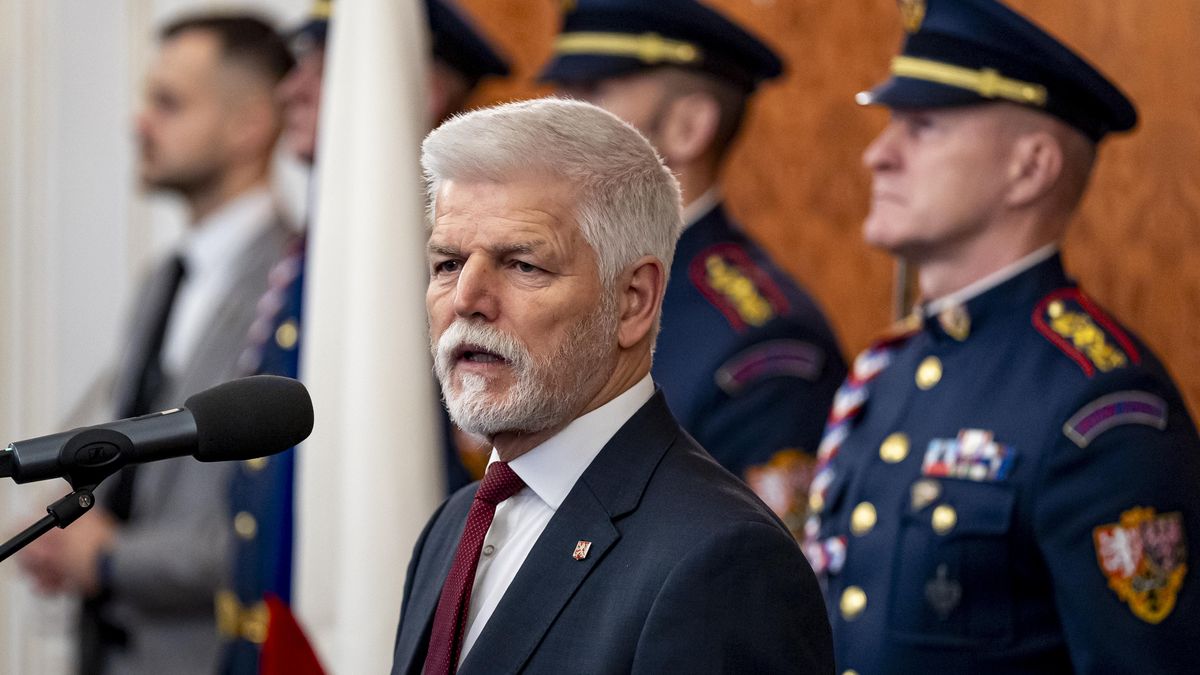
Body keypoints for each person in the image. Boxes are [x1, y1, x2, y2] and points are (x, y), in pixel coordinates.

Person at [803, 1, 1200, 672]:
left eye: (923, 127)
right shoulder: (890, 369)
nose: (877, 155)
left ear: (1031, 166)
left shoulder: (1100, 405)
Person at [389, 97, 833, 674]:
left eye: (523, 265)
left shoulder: (721, 559)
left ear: (633, 301)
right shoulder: (454, 526)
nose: (466, 299)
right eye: (448, 264)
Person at [217, 1, 511, 670]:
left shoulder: (444, 270)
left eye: (326, 69)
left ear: (416, 88)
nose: (290, 89)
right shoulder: (318, 253)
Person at [17, 15, 295, 675]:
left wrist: (110, 558)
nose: (139, 122)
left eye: (168, 103)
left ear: (249, 125)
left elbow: (284, 523)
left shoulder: (290, 290)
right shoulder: (164, 279)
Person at [538, 0, 846, 531]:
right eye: (558, 94)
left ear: (688, 126)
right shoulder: (540, 284)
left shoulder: (759, 345)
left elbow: (752, 568)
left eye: (590, 94)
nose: (547, 122)